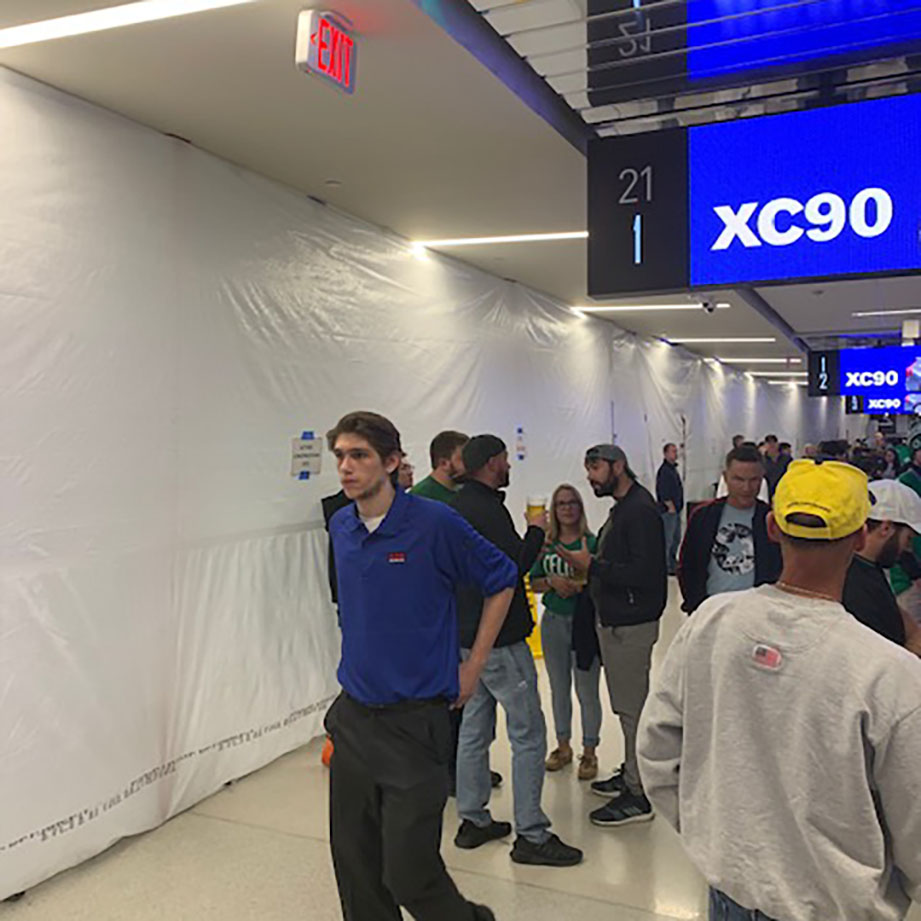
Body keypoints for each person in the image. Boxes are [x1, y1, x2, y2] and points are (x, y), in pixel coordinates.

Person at [637, 459, 921, 921]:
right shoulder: (888, 672)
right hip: (834, 907)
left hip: (729, 894)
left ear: (772, 527)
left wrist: (717, 839)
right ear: (858, 537)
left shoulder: (710, 624)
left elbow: (657, 752)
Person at [324, 411, 518, 921]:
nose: (346, 467)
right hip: (354, 720)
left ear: (391, 462)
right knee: (358, 873)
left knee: (410, 874)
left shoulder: (434, 523)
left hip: (415, 724)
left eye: (359, 455)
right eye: (340, 456)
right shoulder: (341, 525)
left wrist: (473, 665)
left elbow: (502, 577)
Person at [452, 435, 583, 867]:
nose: (509, 465)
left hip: (467, 638)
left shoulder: (455, 506)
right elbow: (511, 569)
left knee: (474, 728)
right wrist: (534, 531)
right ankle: (531, 833)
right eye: (505, 459)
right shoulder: (489, 509)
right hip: (502, 640)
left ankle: (472, 819)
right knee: (528, 735)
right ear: (492, 463)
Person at [556, 444, 666, 827]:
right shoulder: (624, 509)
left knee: (632, 707)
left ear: (619, 466)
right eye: (588, 469)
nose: (591, 477)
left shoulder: (639, 511)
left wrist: (594, 565)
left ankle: (638, 795)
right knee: (626, 704)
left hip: (631, 622)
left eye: (597, 468)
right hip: (618, 618)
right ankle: (633, 773)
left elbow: (648, 572)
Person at [529, 484, 602, 781]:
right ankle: (562, 746)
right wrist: (552, 582)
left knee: (587, 690)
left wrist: (580, 585)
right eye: (561, 504)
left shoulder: (592, 542)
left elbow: (601, 579)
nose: (567, 508)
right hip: (554, 621)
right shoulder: (546, 545)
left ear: (580, 507)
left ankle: (590, 751)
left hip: (584, 623)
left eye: (572, 502)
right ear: (553, 511)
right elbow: (533, 582)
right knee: (559, 687)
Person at [680, 445, 782, 614]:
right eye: (739, 479)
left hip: (757, 613)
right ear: (726, 478)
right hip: (711, 610)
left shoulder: (771, 520)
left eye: (753, 480)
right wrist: (694, 605)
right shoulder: (704, 517)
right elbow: (688, 564)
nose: (746, 488)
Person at [842, 479, 921, 655]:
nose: (907, 548)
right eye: (907, 538)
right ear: (885, 528)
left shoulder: (861, 567)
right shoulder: (853, 583)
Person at [412, 431, 468, 503]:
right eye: (464, 458)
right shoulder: (420, 496)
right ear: (444, 463)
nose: (469, 462)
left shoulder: (464, 490)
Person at [656, 442, 684, 576]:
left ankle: (673, 564)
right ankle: (665, 566)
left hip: (676, 510)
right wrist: (670, 506)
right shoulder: (664, 471)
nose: (675, 454)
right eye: (673, 451)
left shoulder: (673, 469)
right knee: (667, 539)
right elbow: (662, 490)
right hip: (668, 512)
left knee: (676, 538)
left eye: (676, 451)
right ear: (665, 453)